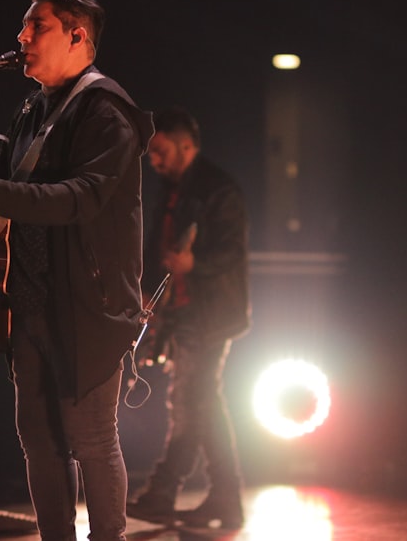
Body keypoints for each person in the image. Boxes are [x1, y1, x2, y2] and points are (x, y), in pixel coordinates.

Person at [0, 0, 155, 541]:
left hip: (89, 305)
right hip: (28, 301)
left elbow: (81, 198)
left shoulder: (108, 111)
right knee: (39, 441)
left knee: (91, 441)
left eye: (36, 25)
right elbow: (14, 189)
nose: (21, 37)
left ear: (77, 35)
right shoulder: (32, 109)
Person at [126, 106, 251, 531]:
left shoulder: (218, 188)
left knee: (190, 404)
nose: (154, 159)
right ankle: (226, 499)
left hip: (209, 312)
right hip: (185, 311)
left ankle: (165, 491)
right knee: (203, 405)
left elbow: (233, 250)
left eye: (159, 150)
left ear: (185, 144)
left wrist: (192, 262)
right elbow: (158, 245)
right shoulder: (172, 189)